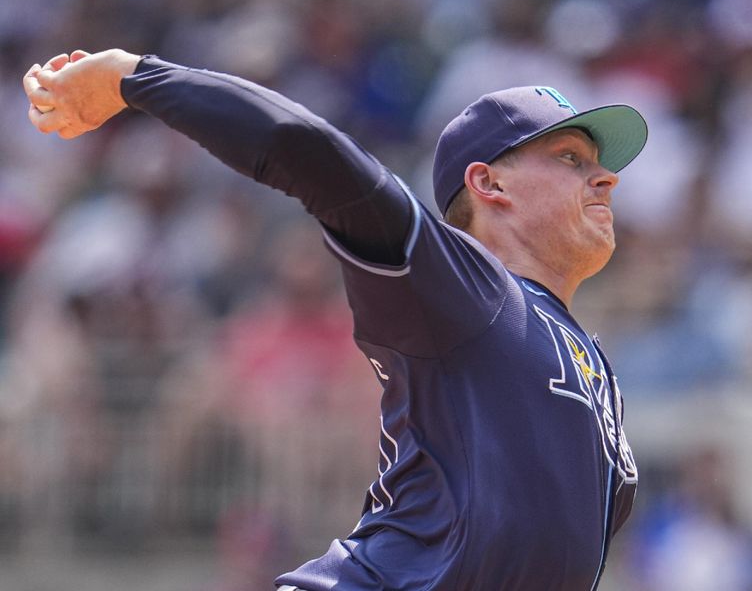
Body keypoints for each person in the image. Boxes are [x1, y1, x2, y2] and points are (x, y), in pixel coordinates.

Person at [23, 48, 646, 591]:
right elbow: (311, 153)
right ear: (488, 184)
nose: (605, 177)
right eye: (569, 157)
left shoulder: (591, 361)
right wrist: (134, 77)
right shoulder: (462, 287)